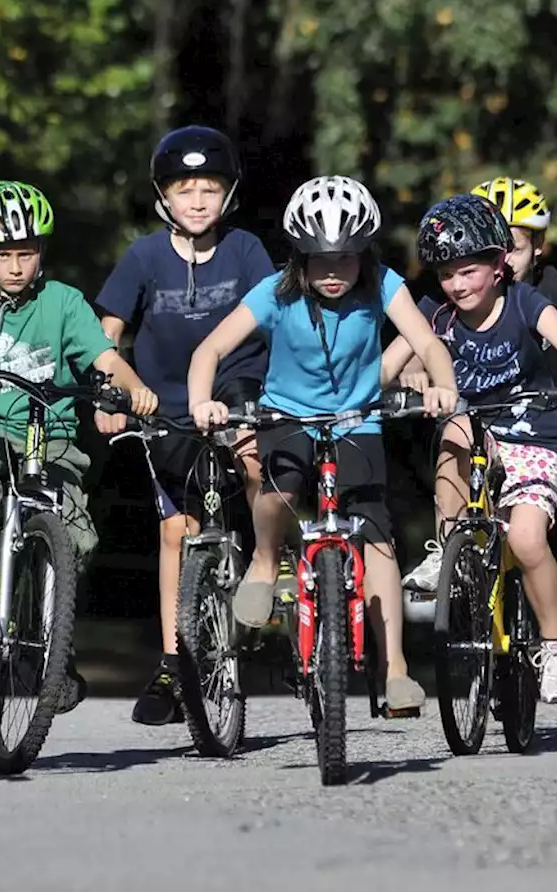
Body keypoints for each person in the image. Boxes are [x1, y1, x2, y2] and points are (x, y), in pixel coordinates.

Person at [188, 175, 459, 714]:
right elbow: (209, 349)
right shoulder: (275, 293)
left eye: (345, 259)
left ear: (365, 254)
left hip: (357, 421)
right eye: (319, 260)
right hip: (287, 416)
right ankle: (265, 563)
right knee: (278, 485)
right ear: (298, 258)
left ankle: (396, 670)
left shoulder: (382, 284)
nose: (333, 273)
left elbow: (426, 340)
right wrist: (203, 402)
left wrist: (443, 384)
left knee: (375, 530)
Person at [0, 179, 158, 712]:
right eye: (4, 255)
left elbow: (104, 357)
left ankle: (54, 647)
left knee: (75, 538)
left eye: (26, 253)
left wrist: (132, 389)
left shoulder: (65, 303)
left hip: (50, 439)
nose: (17, 266)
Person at [400, 177, 557, 686]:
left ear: (504, 260)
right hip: (482, 429)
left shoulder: (534, 300)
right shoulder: (438, 312)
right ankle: (447, 550)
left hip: (540, 430)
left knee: (547, 535)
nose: (458, 283)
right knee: (456, 425)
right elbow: (395, 361)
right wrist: (406, 377)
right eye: (447, 273)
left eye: (469, 270)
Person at [94, 125, 274, 725]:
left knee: (252, 457)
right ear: (162, 196)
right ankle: (173, 663)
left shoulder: (246, 250)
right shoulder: (143, 256)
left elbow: (276, 317)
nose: (197, 201)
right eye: (184, 189)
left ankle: (270, 563)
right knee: (177, 531)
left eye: (209, 189)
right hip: (164, 405)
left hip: (235, 386)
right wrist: (112, 392)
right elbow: (109, 333)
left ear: (229, 195)